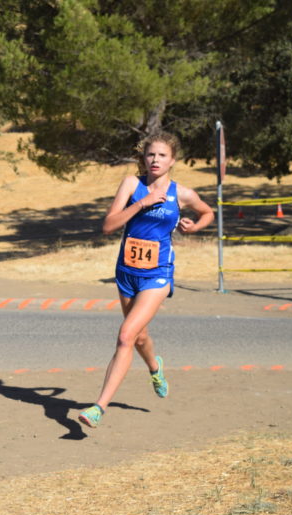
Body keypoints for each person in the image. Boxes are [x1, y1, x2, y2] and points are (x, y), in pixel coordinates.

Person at [78, 132, 213, 429]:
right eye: (151, 155)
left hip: (157, 275)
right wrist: (143, 203)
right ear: (144, 158)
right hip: (126, 272)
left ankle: (99, 407)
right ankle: (155, 366)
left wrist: (193, 226)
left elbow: (207, 212)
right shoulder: (131, 185)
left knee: (126, 335)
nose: (155, 160)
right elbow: (109, 226)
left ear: (172, 161)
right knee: (138, 336)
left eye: (162, 155)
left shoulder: (182, 193)